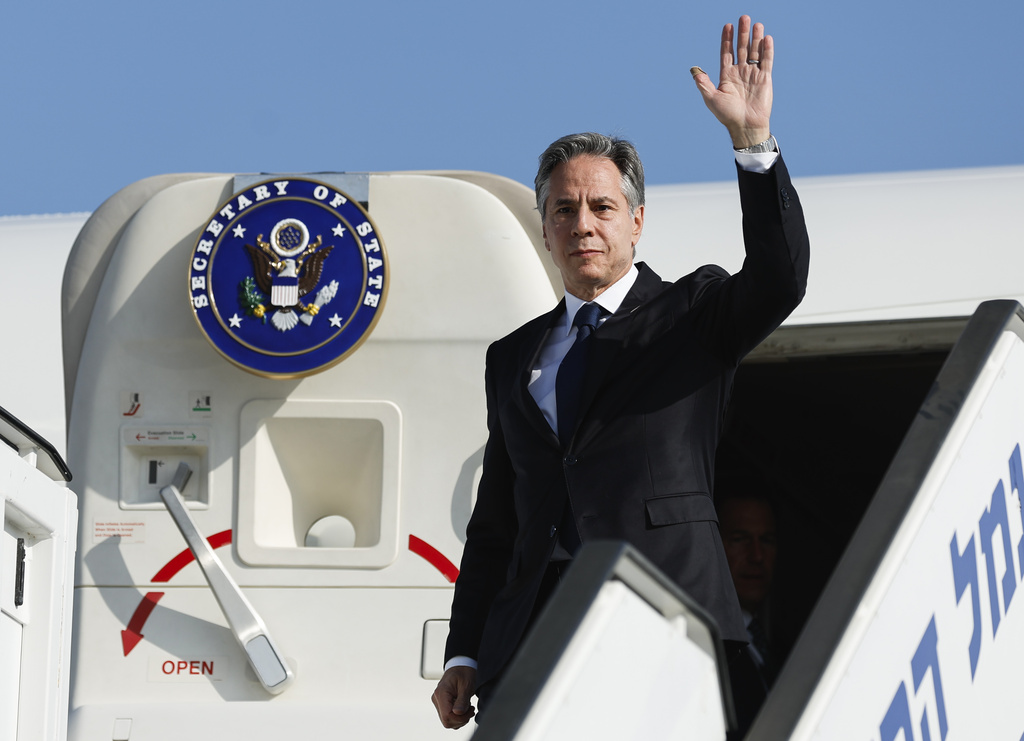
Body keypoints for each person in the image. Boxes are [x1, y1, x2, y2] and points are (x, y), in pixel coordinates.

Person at [431, 14, 809, 732]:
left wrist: (752, 144)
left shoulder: (692, 315)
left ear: (636, 223)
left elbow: (781, 278)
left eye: (603, 207)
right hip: (531, 642)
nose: (583, 224)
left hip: (665, 621)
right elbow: (496, 524)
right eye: (564, 210)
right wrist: (466, 651)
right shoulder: (512, 356)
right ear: (544, 230)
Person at [718, 488, 780, 685]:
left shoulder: (779, 645)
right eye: (740, 539)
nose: (757, 556)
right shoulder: (705, 642)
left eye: (766, 540)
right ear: (714, 544)